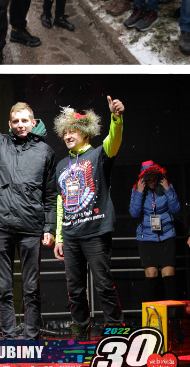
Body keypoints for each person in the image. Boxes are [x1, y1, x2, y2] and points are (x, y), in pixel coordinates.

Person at [0, 75, 56, 339]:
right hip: (0, 227)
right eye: (15, 121)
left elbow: (50, 194)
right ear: (9, 124)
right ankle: (8, 338)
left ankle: (31, 337)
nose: (20, 125)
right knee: (3, 289)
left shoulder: (45, 152)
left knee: (31, 289)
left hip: (30, 228)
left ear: (33, 122)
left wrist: (49, 227)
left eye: (24, 120)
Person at [52, 96, 125, 338]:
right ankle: (81, 334)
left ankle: (116, 333)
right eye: (65, 132)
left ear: (85, 132)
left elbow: (113, 141)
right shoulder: (61, 165)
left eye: (72, 131)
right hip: (71, 235)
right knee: (74, 290)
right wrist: (59, 236)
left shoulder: (98, 155)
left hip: (95, 231)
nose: (68, 136)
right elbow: (61, 202)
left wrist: (116, 119)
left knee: (104, 285)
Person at [129, 161, 181, 302]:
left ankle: (172, 312)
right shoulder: (137, 190)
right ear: (144, 179)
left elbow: (176, 209)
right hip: (146, 238)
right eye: (149, 178)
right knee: (151, 275)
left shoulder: (167, 187)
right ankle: (151, 313)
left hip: (166, 236)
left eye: (155, 178)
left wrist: (168, 189)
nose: (153, 181)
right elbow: (134, 213)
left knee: (168, 274)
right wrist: (139, 192)